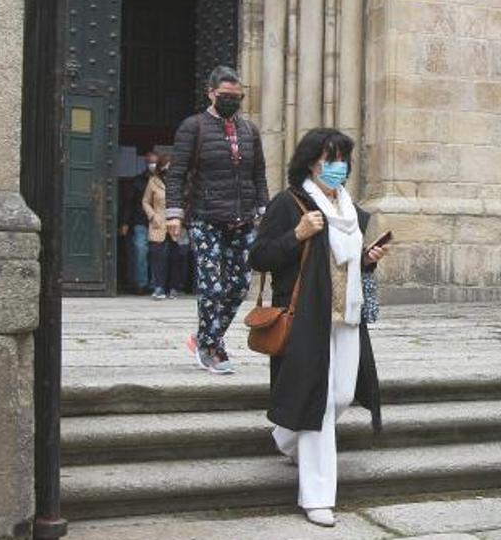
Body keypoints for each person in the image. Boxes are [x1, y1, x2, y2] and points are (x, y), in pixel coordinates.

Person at [249, 128, 385, 528]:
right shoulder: (289, 204)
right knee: (319, 404)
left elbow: (348, 262)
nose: (338, 166)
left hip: (347, 316)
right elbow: (260, 257)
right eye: (330, 158)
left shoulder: (350, 210)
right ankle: (318, 496)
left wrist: (369, 259)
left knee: (342, 395)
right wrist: (296, 234)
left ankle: (285, 437)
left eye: (343, 158)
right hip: (306, 319)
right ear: (311, 161)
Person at [165, 65, 269, 375]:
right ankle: (210, 347)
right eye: (226, 95)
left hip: (243, 220)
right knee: (211, 287)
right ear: (211, 93)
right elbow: (176, 174)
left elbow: (258, 175)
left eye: (237, 96)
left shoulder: (250, 130)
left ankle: (206, 337)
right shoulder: (192, 127)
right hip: (205, 218)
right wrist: (174, 214)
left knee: (238, 285)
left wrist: (264, 211)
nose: (232, 101)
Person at [143, 154, 190, 300]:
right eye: (166, 166)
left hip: (176, 223)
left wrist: (182, 217)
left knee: (177, 256)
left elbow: (187, 201)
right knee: (158, 256)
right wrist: (152, 216)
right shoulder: (153, 182)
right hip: (158, 223)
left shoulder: (180, 182)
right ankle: (159, 287)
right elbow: (145, 201)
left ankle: (174, 287)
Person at [120, 151, 155, 293]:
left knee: (157, 254)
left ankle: (156, 284)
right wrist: (125, 222)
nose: (153, 165)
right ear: (145, 163)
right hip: (140, 221)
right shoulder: (138, 181)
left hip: (158, 223)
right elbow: (129, 203)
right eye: (150, 162)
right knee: (141, 251)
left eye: (155, 162)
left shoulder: (164, 181)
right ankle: (141, 283)